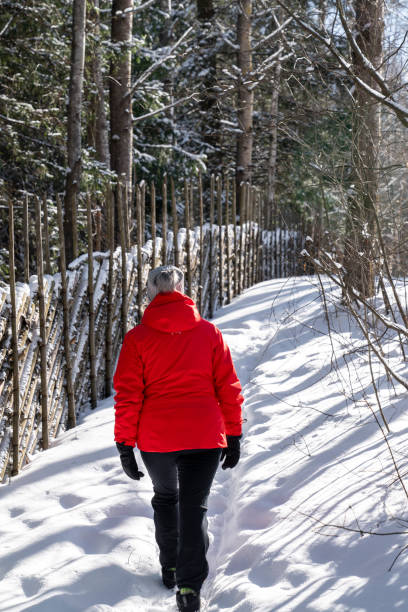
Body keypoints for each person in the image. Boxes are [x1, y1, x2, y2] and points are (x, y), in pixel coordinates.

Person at [113, 265, 244, 612]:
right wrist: (234, 433)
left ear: (150, 294)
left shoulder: (137, 338)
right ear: (184, 290)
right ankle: (188, 587)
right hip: (204, 437)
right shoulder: (209, 333)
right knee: (193, 506)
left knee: (166, 497)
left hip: (157, 440)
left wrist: (125, 444)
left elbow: (128, 394)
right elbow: (228, 387)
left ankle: (170, 566)